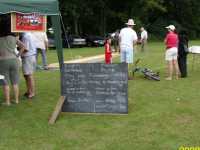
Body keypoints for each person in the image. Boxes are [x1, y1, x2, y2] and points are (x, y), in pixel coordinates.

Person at [0, 14, 26, 105]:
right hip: (14, 60)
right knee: (15, 82)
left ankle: (7, 102)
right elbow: (23, 47)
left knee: (5, 82)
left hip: (3, 61)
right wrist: (18, 55)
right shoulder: (14, 37)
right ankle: (16, 100)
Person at [21, 32, 37, 99]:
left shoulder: (25, 36)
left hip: (28, 56)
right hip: (31, 56)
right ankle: (29, 91)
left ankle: (32, 93)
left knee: (29, 75)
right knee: (26, 75)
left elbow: (25, 49)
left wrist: (18, 54)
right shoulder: (30, 34)